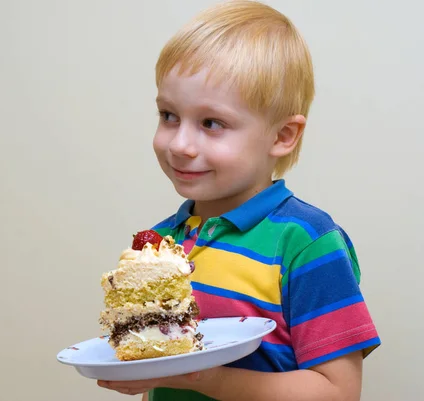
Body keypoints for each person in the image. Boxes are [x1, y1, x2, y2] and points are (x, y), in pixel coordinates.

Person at [96, 1, 381, 400]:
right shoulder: (161, 245)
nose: (179, 144)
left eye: (211, 123)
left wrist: (203, 378)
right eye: (168, 115)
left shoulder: (305, 242)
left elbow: (338, 392)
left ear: (282, 136)